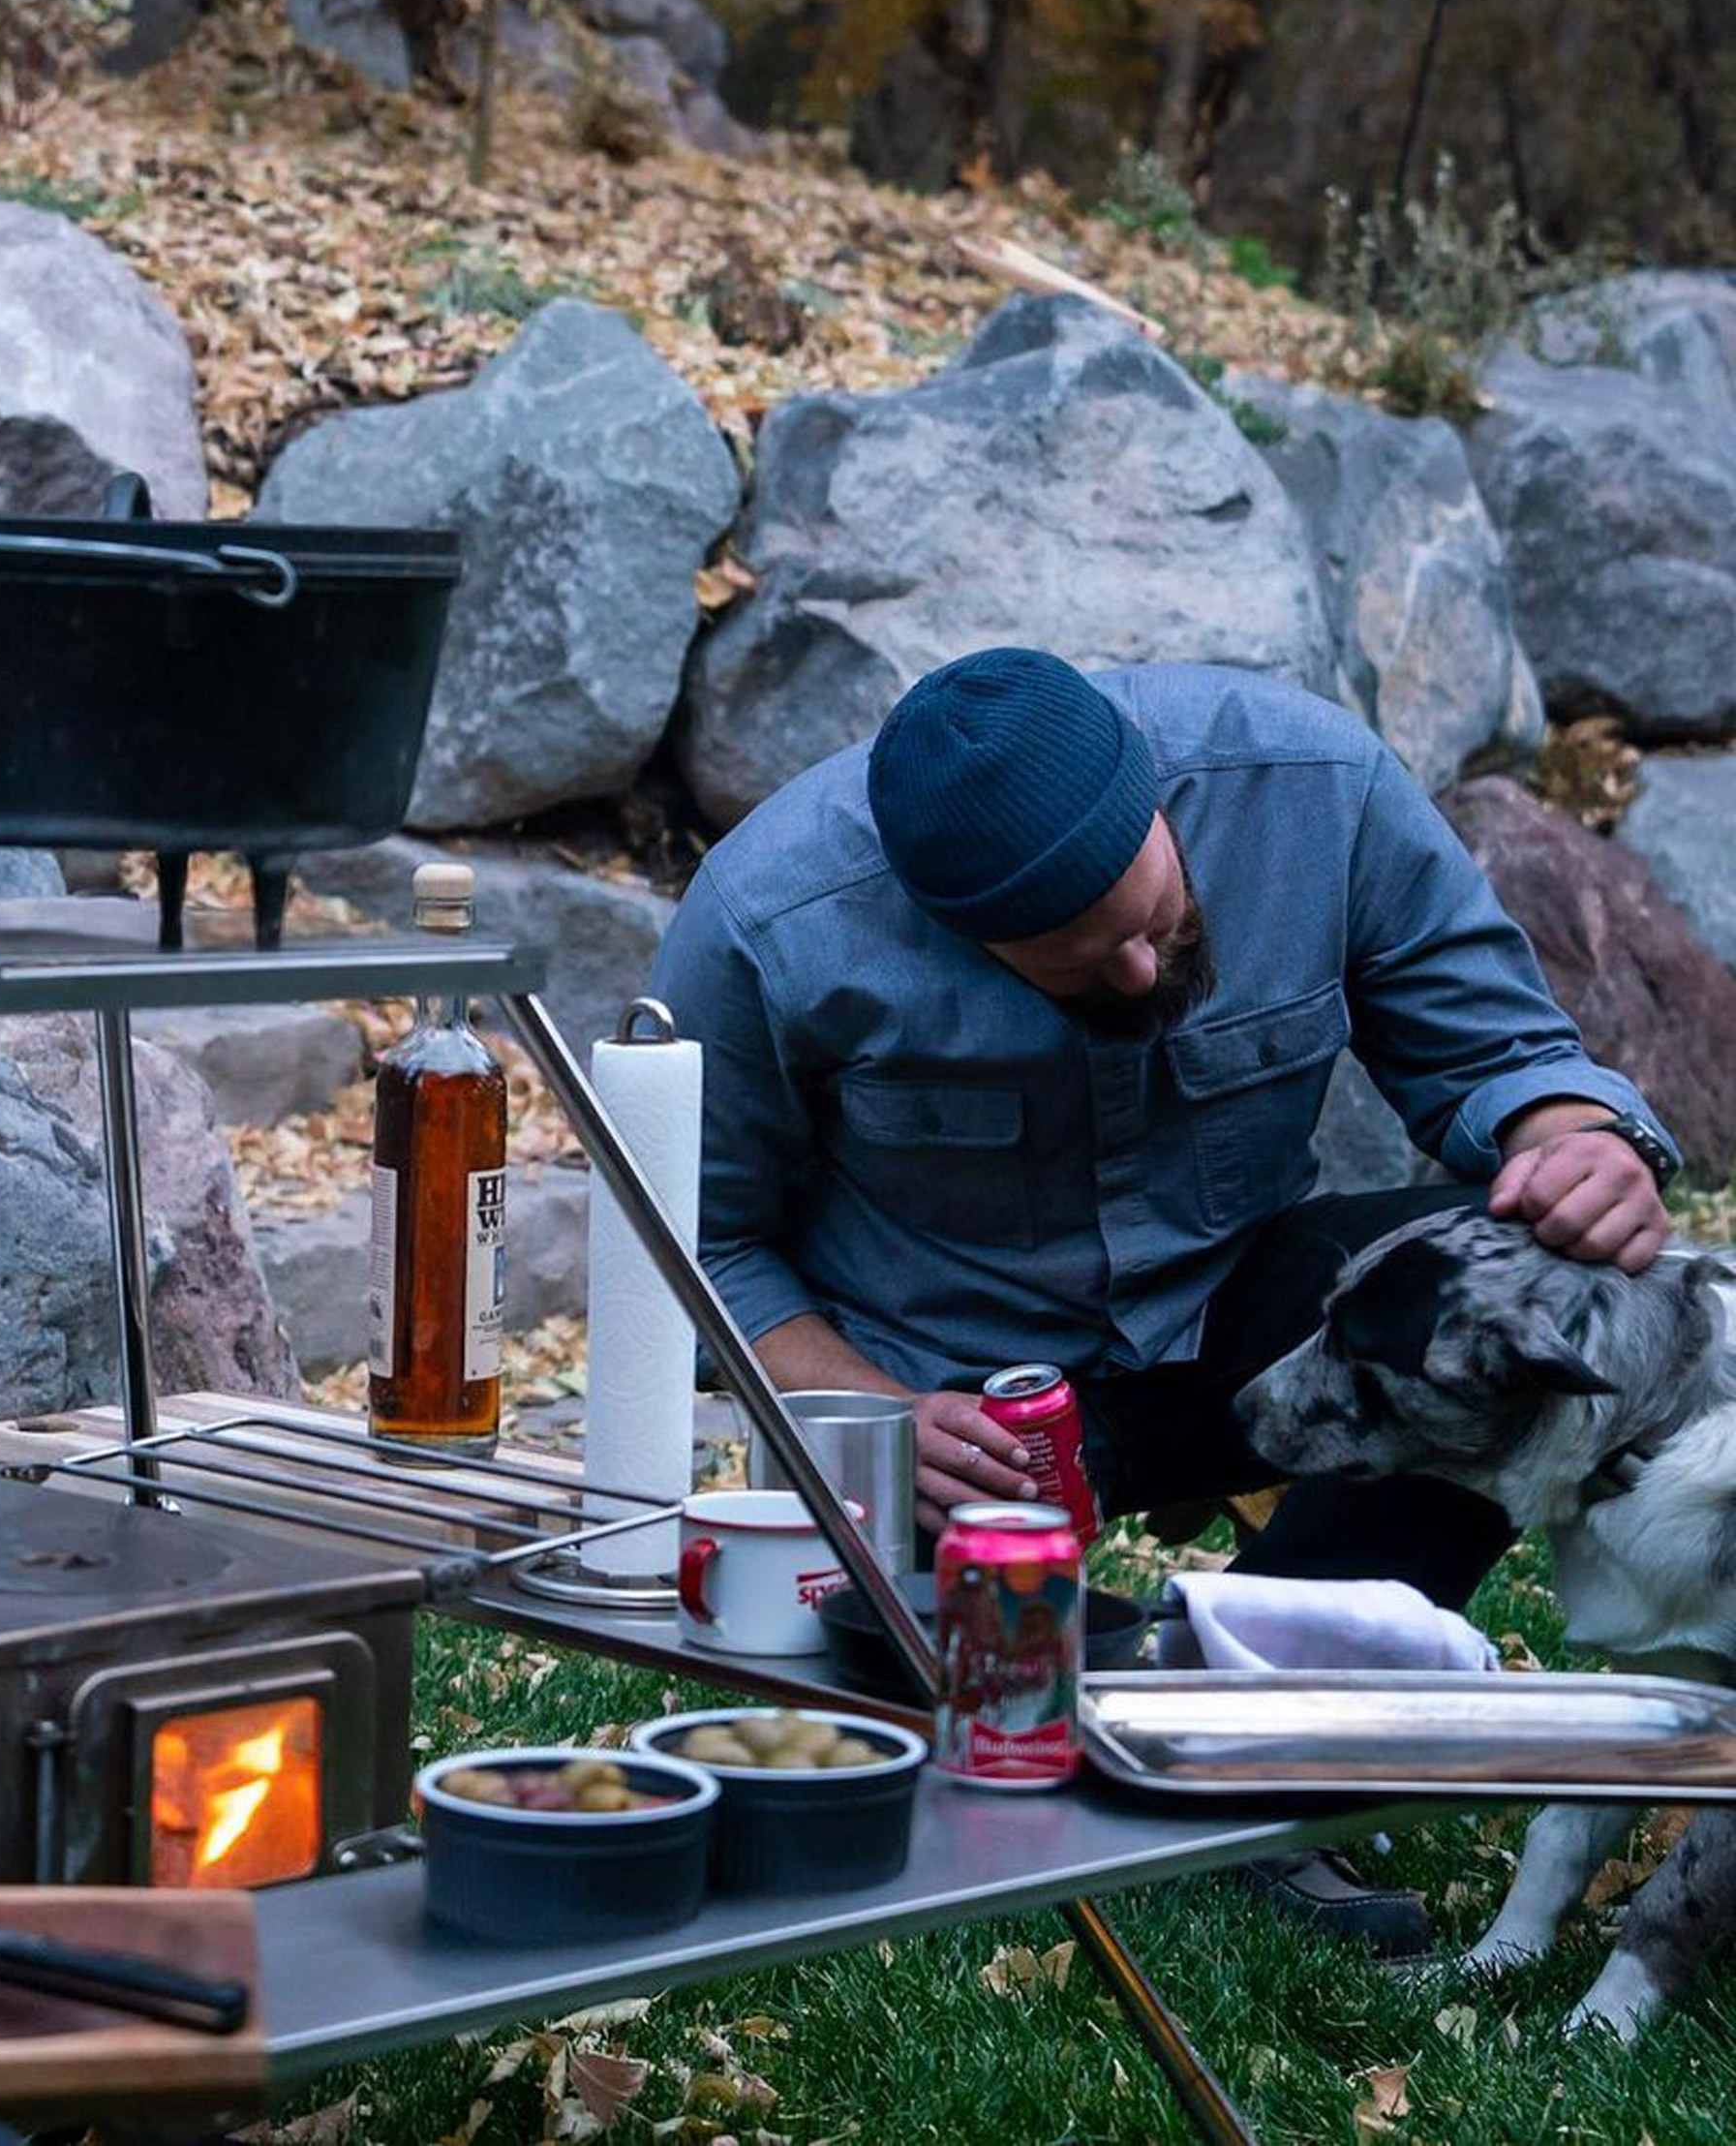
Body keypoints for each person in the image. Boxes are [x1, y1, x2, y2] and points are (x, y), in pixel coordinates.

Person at [651, 648, 1679, 1952]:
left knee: (1500, 1305)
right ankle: (1082, 1724)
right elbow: (699, 1245)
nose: (1140, 973)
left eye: (1155, 920)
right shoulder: (769, 921)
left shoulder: (1313, 787)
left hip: (1245, 1321)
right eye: (1078, 967)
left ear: (1160, 798)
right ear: (950, 931)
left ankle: (1257, 1761)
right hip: (949, 1412)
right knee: (925, 1773)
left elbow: (1505, 1055)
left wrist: (1576, 1140)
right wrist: (872, 1414)